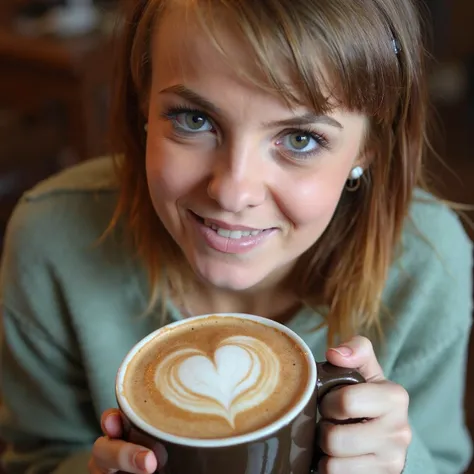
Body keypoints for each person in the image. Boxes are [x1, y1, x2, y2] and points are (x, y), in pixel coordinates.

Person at [0, 0, 472, 473]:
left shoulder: (428, 266)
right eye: (193, 119)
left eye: (300, 139)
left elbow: (443, 460)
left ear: (367, 150)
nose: (232, 191)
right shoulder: (51, 240)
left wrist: (399, 463)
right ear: (144, 104)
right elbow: (35, 456)